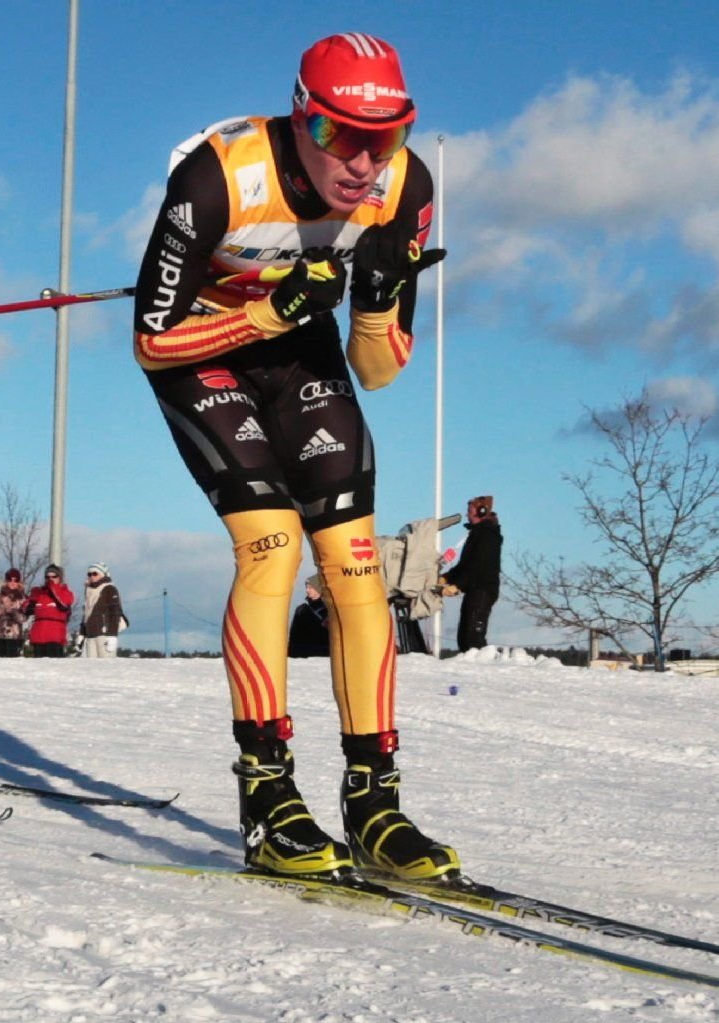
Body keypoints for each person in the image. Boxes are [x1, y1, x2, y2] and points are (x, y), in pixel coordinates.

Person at [131, 33, 457, 881]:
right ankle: (268, 795)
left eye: (381, 139)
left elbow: (380, 373)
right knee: (272, 544)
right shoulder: (216, 175)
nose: (361, 161)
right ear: (302, 118)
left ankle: (374, 802)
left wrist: (379, 303)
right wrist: (270, 312)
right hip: (202, 350)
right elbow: (150, 340)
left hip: (299, 352)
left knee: (354, 566)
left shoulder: (406, 189)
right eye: (338, 135)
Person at [441, 495, 502, 651]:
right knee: (463, 638)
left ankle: (482, 668)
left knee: (473, 639)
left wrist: (458, 585)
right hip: (474, 589)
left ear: (481, 511)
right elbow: (465, 565)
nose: (467, 514)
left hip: (482, 589)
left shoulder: (488, 535)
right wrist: (445, 578)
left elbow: (478, 566)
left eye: (470, 510)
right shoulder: (476, 534)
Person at [23, 564, 73, 658]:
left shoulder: (65, 592)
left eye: (54, 576)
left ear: (60, 578)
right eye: (47, 577)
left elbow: (63, 604)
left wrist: (53, 588)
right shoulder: (39, 593)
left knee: (54, 669)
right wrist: (29, 602)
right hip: (38, 636)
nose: (50, 579)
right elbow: (25, 609)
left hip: (55, 638)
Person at [80, 562, 125, 658]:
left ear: (103, 574)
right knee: (91, 668)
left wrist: (113, 635)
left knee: (105, 668)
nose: (92, 576)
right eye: (89, 574)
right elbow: (86, 614)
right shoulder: (88, 590)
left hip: (104, 635)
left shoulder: (109, 589)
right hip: (90, 635)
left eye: (95, 573)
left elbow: (115, 612)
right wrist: (82, 633)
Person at [0, 568, 30, 657]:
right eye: (10, 579)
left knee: (12, 667)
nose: (13, 582)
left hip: (15, 638)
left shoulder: (24, 598)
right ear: (6, 581)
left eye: (16, 580)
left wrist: (12, 610)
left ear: (19, 582)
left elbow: (24, 618)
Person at [288, 577, 330, 658]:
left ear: (319, 588)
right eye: (306, 587)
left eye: (310, 587)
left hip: (324, 654)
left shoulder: (331, 610)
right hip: (304, 655)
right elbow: (294, 637)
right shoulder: (301, 609)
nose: (307, 590)